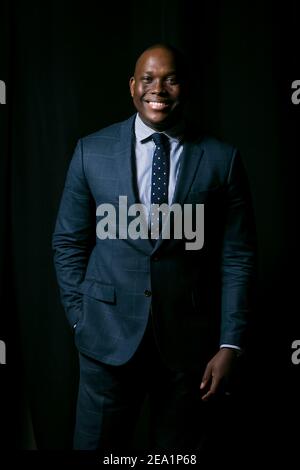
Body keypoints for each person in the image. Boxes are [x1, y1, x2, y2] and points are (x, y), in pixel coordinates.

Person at [52, 43, 257, 453]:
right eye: (148, 79)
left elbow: (238, 258)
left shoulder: (222, 159)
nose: (158, 89)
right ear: (132, 86)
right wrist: (81, 318)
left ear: (186, 87)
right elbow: (68, 242)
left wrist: (230, 344)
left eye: (171, 79)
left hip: (188, 353)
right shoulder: (90, 151)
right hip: (105, 342)